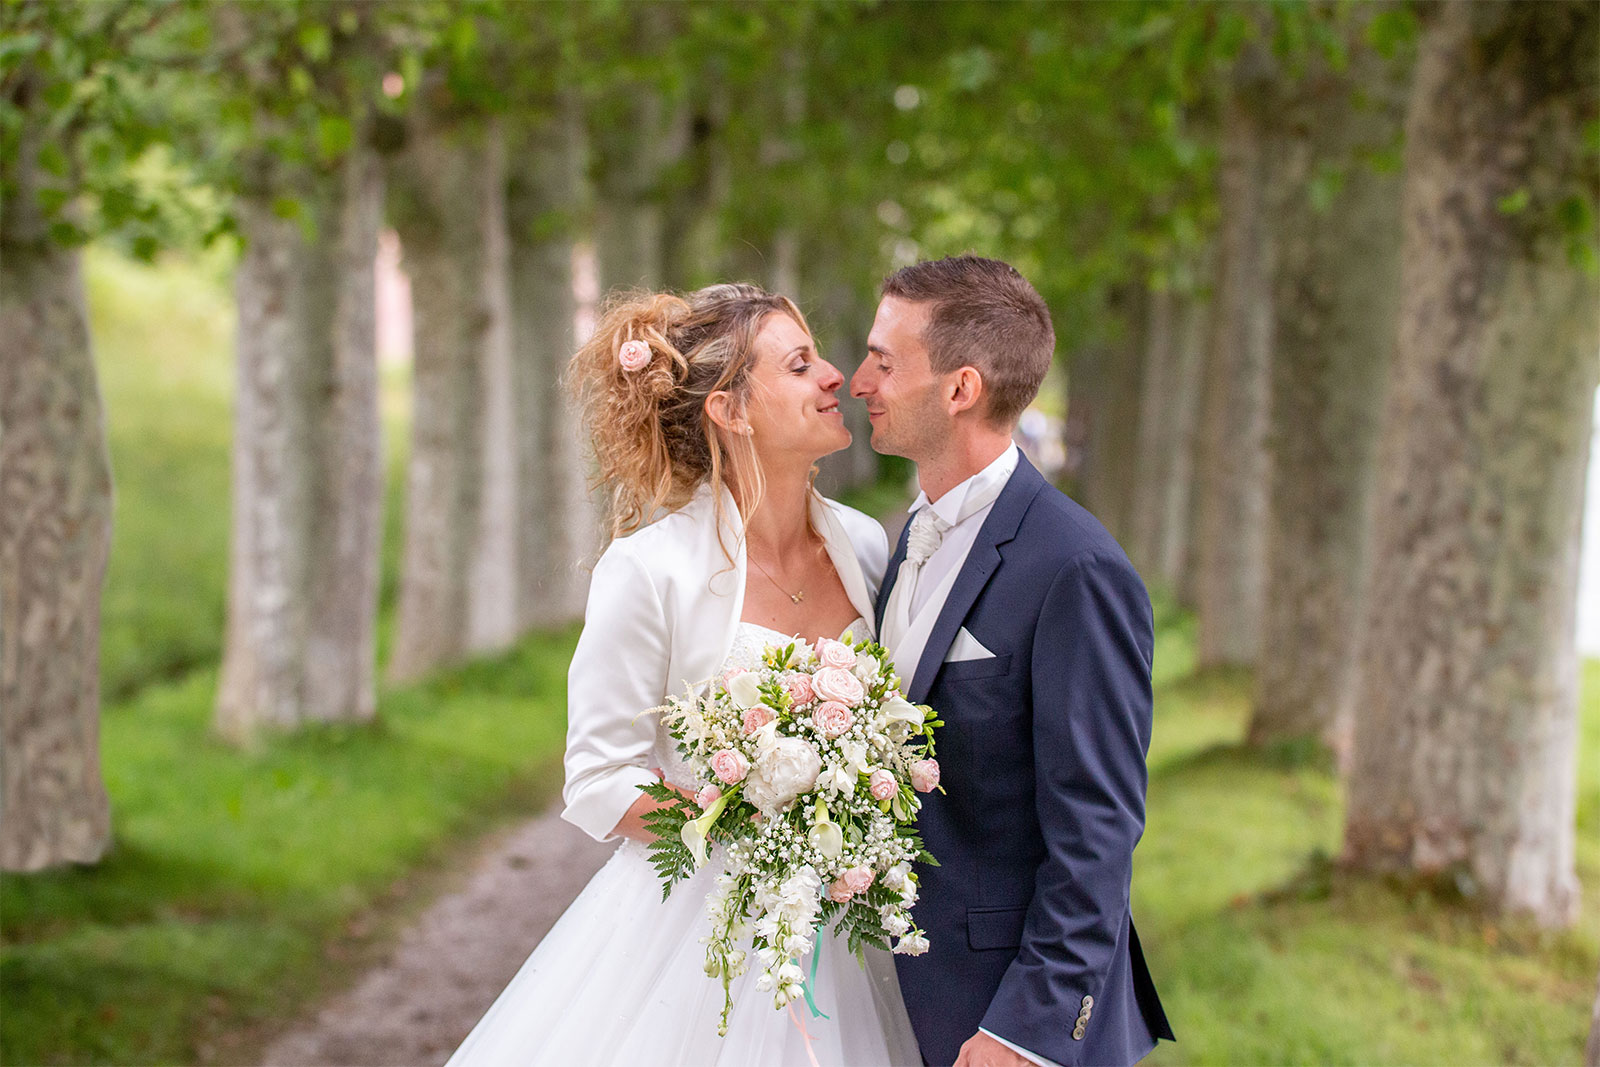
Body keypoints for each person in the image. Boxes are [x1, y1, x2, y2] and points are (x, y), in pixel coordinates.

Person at [444, 283, 921, 1067]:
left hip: (849, 926)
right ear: (730, 411)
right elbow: (598, 777)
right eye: (800, 365)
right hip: (698, 939)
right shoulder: (649, 569)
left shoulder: (866, 545)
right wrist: (752, 827)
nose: (836, 375)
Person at [851, 256, 1174, 1067]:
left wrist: (1025, 1032)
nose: (858, 381)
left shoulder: (1075, 568)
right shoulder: (910, 539)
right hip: (899, 991)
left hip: (1000, 1019)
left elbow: (1097, 828)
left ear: (960, 389)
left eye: (884, 361)